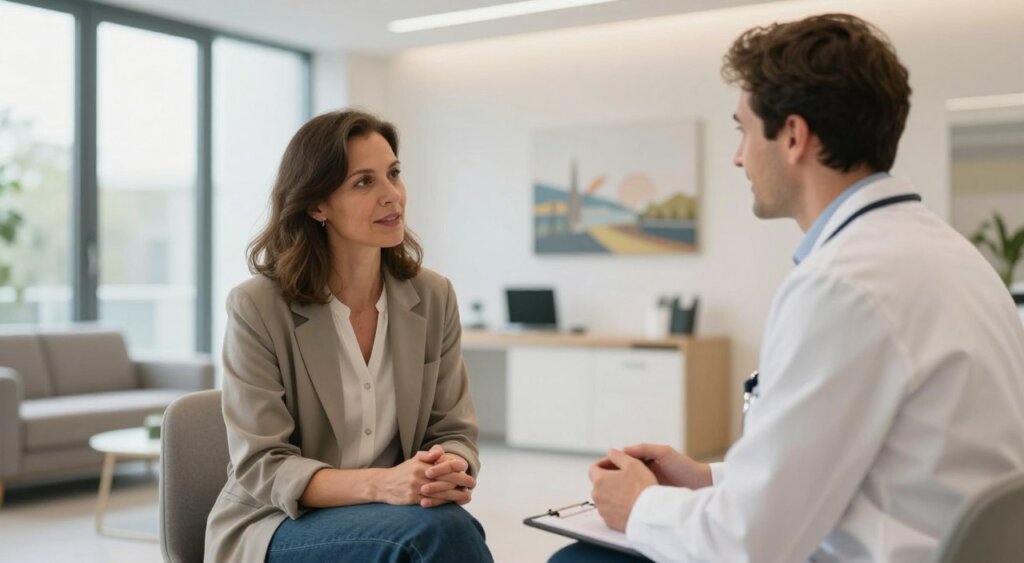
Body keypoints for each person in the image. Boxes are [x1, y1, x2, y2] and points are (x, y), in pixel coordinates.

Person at [551, 12, 1024, 563]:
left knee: (582, 561)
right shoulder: (951, 257)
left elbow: (748, 543)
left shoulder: (843, 285)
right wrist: (708, 478)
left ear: (794, 137)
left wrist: (640, 506)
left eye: (743, 130)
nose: (737, 155)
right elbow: (861, 466)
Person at [204, 109, 493, 562]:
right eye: (364, 182)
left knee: (444, 527)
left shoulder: (433, 296)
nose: (392, 195)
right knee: (436, 535)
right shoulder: (257, 307)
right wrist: (385, 483)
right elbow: (264, 466)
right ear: (317, 205)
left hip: (394, 512)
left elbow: (452, 429)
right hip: (279, 521)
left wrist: (447, 466)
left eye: (393, 174)